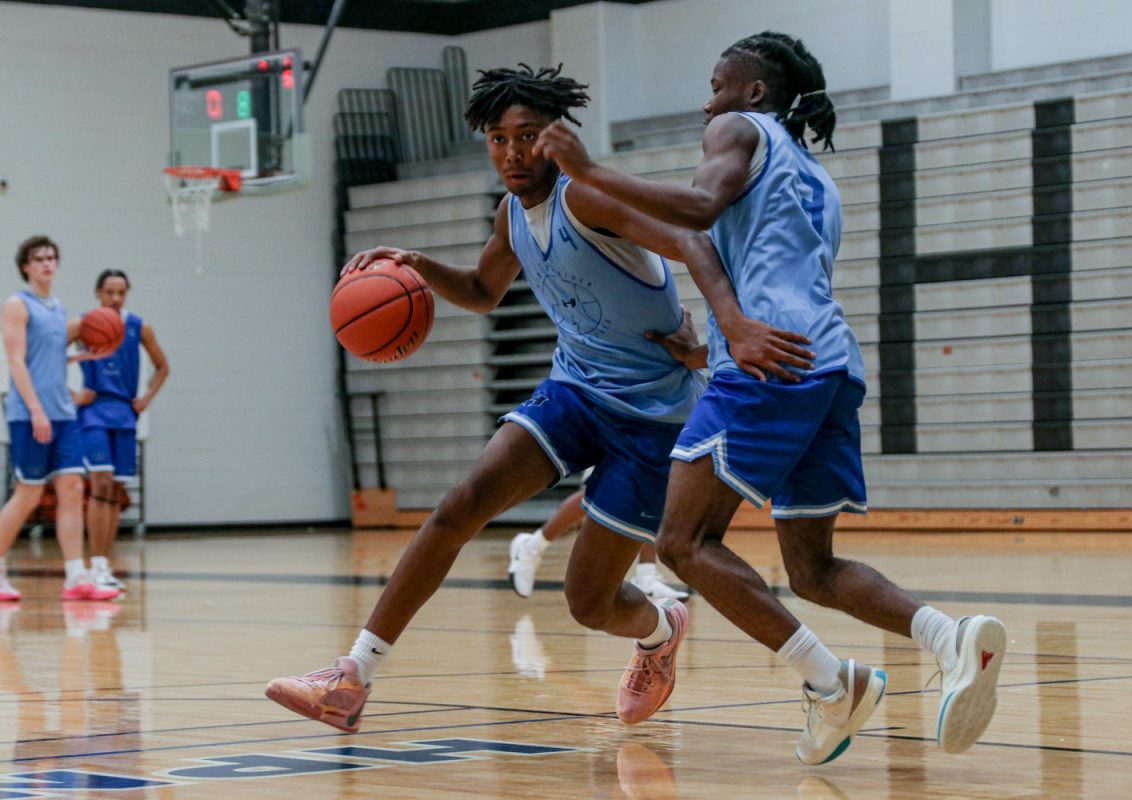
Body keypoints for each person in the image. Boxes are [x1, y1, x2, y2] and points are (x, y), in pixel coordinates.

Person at [266, 64, 813, 732]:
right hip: (574, 391)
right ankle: (352, 676)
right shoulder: (510, 215)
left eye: (527, 136)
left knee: (588, 604)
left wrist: (724, 334)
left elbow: (695, 241)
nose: (512, 152)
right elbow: (480, 291)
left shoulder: (588, 198)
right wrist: (416, 265)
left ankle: (658, 631)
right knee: (458, 506)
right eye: (498, 138)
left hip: (651, 418)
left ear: (556, 136)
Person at [536, 31, 1007, 763]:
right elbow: (773, 263)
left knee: (681, 543)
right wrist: (711, 344)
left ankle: (831, 686)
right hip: (827, 365)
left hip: (770, 364)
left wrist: (589, 169)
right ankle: (950, 639)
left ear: (755, 93)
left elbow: (697, 210)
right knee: (813, 571)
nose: (707, 101)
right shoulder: (814, 176)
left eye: (719, 83)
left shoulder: (739, 128)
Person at [0, 236, 119, 603]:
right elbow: (17, 361)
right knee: (29, 494)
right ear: (26, 266)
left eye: (51, 258)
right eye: (39, 259)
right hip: (30, 413)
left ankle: (76, 577)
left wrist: (82, 359)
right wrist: (36, 408)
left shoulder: (58, 308)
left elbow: (50, 359)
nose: (47, 264)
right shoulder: (18, 305)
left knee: (72, 489)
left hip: (63, 414)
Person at [76, 269, 169, 592]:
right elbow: (49, 355)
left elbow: (163, 366)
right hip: (93, 414)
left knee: (115, 491)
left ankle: (105, 564)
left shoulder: (138, 326)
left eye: (121, 292)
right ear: (98, 293)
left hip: (126, 416)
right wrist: (71, 395)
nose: (115, 298)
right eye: (109, 292)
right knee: (99, 484)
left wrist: (146, 397)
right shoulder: (84, 324)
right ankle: (94, 562)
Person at [508, 470, 688, 601]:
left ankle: (646, 576)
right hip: (616, 424)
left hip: (648, 427)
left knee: (650, 488)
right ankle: (531, 546)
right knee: (596, 494)